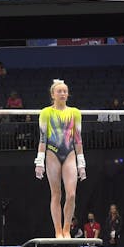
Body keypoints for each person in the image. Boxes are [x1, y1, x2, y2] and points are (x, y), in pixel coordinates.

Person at [34, 79, 86, 238]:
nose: (63, 93)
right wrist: (39, 162)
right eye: (59, 91)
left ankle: (66, 229)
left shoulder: (75, 112)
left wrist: (81, 163)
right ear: (53, 94)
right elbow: (43, 139)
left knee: (71, 195)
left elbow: (77, 139)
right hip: (52, 153)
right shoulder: (45, 113)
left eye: (65, 91)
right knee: (56, 194)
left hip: (69, 153)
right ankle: (57, 230)